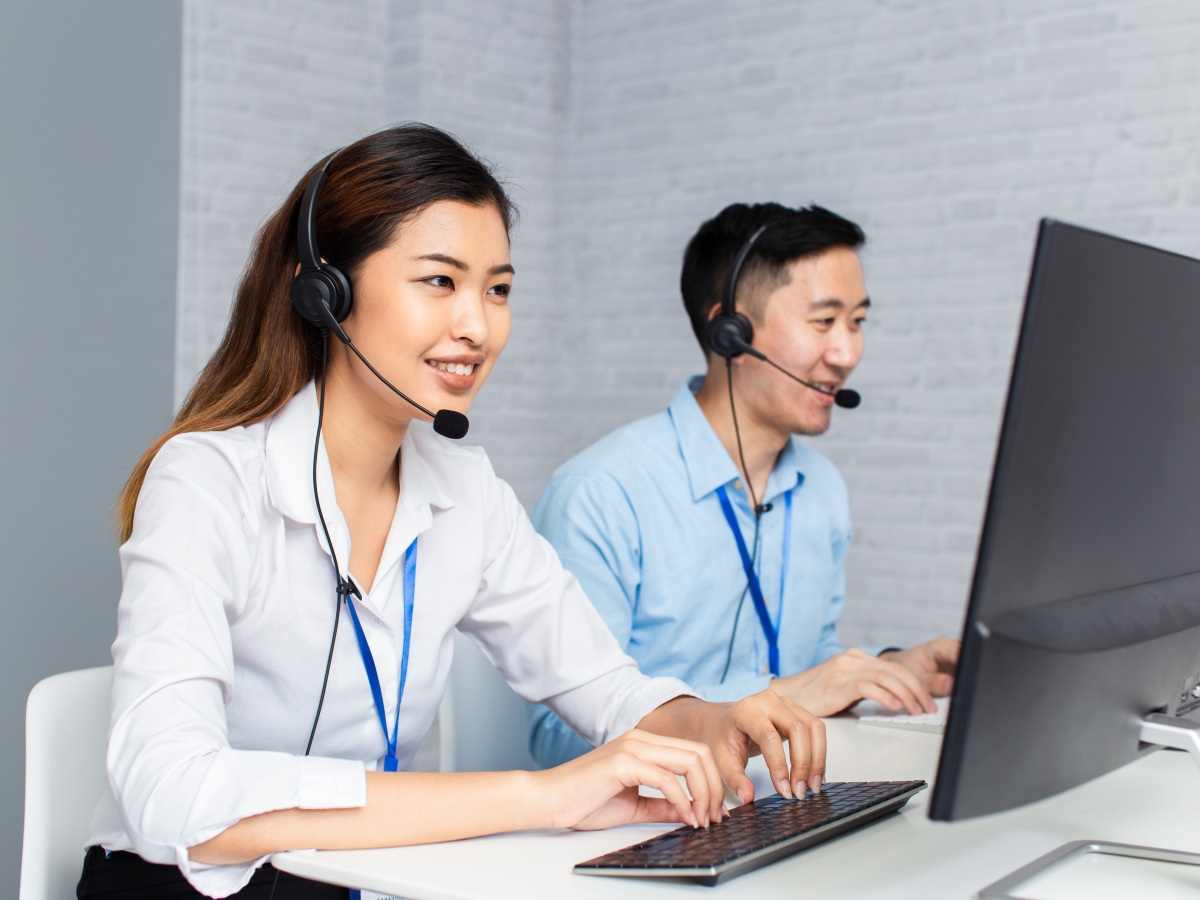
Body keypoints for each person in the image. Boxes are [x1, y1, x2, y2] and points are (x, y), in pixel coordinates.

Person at [78, 128, 828, 900]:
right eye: (440, 282)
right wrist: (542, 798)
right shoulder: (206, 481)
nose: (478, 326)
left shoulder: (464, 492)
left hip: (351, 876)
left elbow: (604, 685)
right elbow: (171, 794)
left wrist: (710, 721)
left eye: (498, 289)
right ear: (324, 293)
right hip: (185, 886)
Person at [528, 202, 959, 769]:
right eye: (824, 322)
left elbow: (807, 662)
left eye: (857, 322)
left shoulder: (821, 489)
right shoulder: (602, 493)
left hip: (790, 796)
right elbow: (560, 738)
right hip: (655, 821)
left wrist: (883, 670)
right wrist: (779, 699)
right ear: (730, 333)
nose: (848, 353)